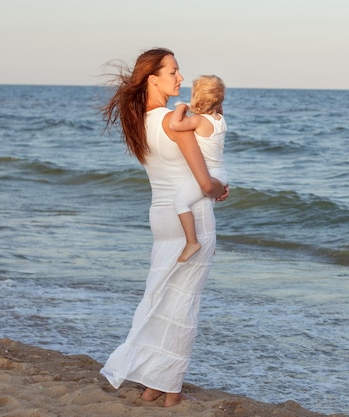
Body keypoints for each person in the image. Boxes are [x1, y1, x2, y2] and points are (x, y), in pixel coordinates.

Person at [99, 48, 228, 408]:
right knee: (183, 304)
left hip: (161, 215)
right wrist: (222, 189)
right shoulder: (173, 122)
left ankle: (151, 384)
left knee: (162, 298)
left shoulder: (139, 121)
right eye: (172, 71)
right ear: (153, 79)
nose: (180, 78)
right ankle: (171, 390)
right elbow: (204, 183)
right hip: (193, 218)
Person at [169, 75, 228, 263]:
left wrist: (181, 106)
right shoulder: (220, 120)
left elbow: (175, 124)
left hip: (207, 174)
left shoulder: (199, 120)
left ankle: (192, 242)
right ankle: (211, 246)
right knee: (204, 208)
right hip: (221, 174)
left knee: (181, 203)